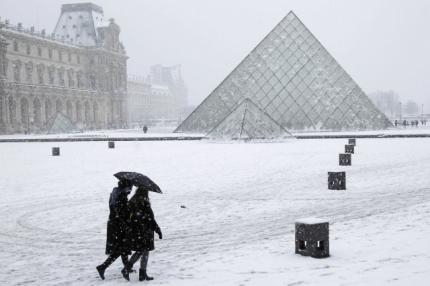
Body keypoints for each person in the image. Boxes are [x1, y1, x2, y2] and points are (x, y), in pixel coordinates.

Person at [122, 188, 162, 281]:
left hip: (136, 231)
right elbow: (150, 219)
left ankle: (141, 273)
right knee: (143, 251)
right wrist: (157, 229)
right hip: (144, 231)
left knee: (142, 250)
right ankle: (129, 270)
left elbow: (129, 216)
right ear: (145, 192)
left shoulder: (133, 200)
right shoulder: (143, 202)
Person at [96, 179, 133, 280]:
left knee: (123, 248)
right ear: (126, 186)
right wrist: (125, 226)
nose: (131, 189)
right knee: (120, 249)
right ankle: (102, 267)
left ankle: (127, 267)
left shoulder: (115, 192)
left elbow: (116, 210)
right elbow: (121, 213)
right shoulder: (122, 196)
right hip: (119, 226)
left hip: (114, 225)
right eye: (130, 187)